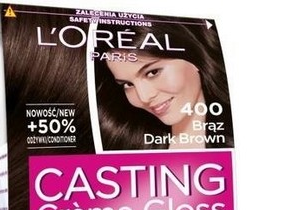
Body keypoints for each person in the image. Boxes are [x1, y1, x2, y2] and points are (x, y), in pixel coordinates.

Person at [95, 21, 233, 150]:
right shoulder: (127, 145)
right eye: (128, 84)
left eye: (153, 72)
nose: (144, 97)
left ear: (195, 56)